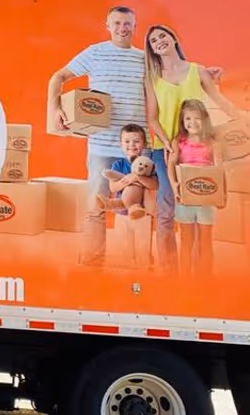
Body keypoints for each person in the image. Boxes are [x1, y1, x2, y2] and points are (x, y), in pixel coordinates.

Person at [47, 6, 146, 267]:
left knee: (134, 210)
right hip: (102, 147)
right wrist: (55, 108)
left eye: (128, 24)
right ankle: (92, 263)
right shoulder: (95, 53)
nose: (122, 28)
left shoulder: (145, 59)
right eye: (117, 23)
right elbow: (59, 77)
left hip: (137, 151)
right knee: (96, 207)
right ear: (108, 25)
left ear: (135, 27)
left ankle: (134, 265)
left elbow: (173, 77)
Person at [144, 23, 239, 273]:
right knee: (167, 210)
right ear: (152, 49)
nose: (159, 41)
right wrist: (168, 146)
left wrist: (241, 118)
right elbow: (152, 117)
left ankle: (200, 272)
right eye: (154, 41)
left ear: (174, 38)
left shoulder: (197, 71)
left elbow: (220, 101)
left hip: (198, 149)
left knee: (201, 210)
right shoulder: (152, 78)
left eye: (163, 35)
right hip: (165, 149)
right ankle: (170, 272)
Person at [166, 99, 224, 276]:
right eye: (188, 119)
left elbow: (219, 171)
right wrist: (175, 187)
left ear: (205, 119)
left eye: (197, 118)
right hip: (184, 199)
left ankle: (204, 277)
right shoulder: (179, 142)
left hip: (206, 199)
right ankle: (185, 278)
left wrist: (223, 195)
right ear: (183, 122)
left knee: (205, 240)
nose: (192, 123)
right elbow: (171, 166)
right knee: (186, 239)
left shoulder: (213, 144)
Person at [96, 123, 158, 220]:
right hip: (122, 212)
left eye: (136, 141)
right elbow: (113, 188)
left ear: (144, 144)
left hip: (143, 212)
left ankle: (136, 208)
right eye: (127, 141)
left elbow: (155, 185)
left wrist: (137, 177)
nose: (132, 145)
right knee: (122, 234)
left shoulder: (148, 165)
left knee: (142, 234)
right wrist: (128, 181)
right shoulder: (118, 164)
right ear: (121, 145)